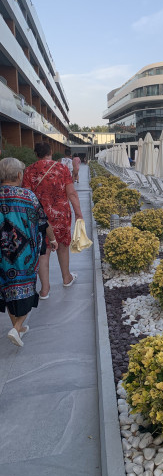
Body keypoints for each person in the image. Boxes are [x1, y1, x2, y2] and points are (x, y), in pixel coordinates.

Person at [0, 158, 58, 347]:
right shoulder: (28, 196)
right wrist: (53, 239)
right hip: (23, 255)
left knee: (7, 290)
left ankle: (17, 329)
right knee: (26, 291)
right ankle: (17, 327)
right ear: (19, 175)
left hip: (2, 255)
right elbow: (43, 222)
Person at [23, 142, 83, 298]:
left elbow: (27, 196)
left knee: (44, 250)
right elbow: (71, 193)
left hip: (39, 216)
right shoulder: (62, 168)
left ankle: (45, 289)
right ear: (50, 152)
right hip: (60, 214)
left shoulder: (29, 170)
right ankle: (66, 278)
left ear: (36, 154)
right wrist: (78, 213)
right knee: (62, 246)